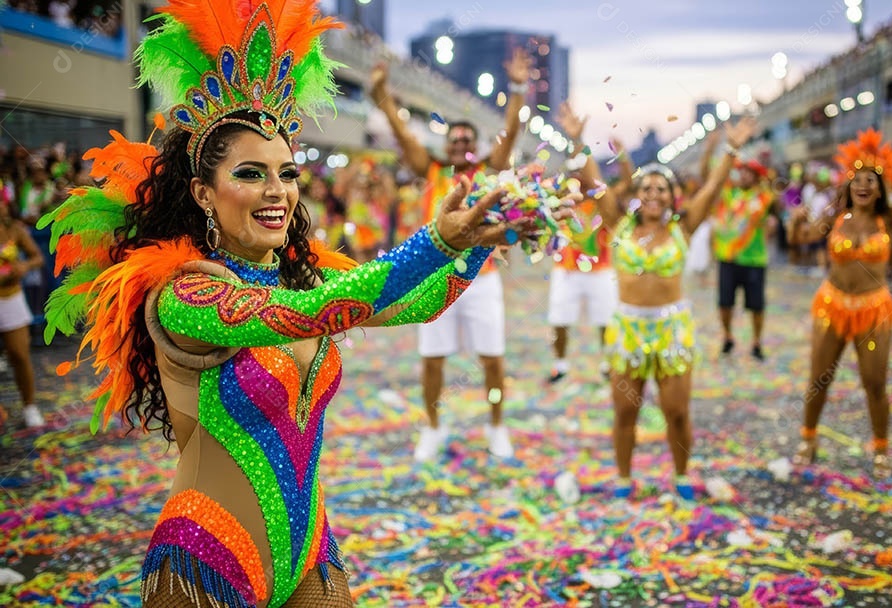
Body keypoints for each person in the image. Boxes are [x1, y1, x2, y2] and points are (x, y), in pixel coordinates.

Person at [39, 2, 551, 605]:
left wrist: (482, 243)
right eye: (252, 173)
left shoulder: (295, 279)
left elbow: (421, 304)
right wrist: (438, 239)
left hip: (310, 550)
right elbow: (315, 313)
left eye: (287, 173)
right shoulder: (184, 294)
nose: (277, 191)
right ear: (204, 191)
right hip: (208, 561)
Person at [370, 51, 531, 462]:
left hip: (483, 280)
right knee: (433, 361)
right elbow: (404, 136)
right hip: (436, 280)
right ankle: (434, 426)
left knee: (492, 359)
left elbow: (510, 135)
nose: (460, 144)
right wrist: (383, 98)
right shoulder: (434, 171)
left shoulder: (489, 173)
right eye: (454, 139)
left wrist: (516, 89)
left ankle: (496, 426)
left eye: (467, 140)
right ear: (447, 145)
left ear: (475, 147)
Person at [588, 112, 755, 499]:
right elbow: (594, 185)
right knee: (625, 411)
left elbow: (712, 188)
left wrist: (731, 148)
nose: (653, 194)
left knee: (676, 412)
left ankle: (681, 476)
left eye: (661, 188)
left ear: (672, 196)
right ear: (635, 194)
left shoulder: (683, 227)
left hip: (671, 330)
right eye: (646, 187)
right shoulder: (621, 225)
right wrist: (581, 144)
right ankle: (624, 479)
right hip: (628, 329)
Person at [791, 120, 892, 478]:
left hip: (873, 309)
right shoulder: (835, 217)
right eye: (858, 177)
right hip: (832, 304)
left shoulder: (890, 219)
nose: (864, 184)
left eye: (871, 178)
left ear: (881, 187)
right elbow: (802, 238)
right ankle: (808, 437)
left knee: (874, 383)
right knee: (819, 377)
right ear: (847, 183)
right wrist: (794, 222)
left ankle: (880, 448)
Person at [545, 103, 619, 384]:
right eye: (574, 174)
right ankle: (560, 364)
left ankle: (608, 364)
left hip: (600, 270)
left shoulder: (602, 202)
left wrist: (579, 142)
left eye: (583, 174)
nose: (578, 178)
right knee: (559, 318)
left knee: (605, 320)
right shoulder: (561, 199)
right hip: (566, 270)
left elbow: (598, 182)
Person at [699, 133, 780, 361]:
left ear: (756, 177)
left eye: (749, 172)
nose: (743, 175)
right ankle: (728, 336)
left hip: (754, 261)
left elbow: (774, 211)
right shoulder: (728, 195)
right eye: (741, 171)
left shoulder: (764, 197)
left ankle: (756, 341)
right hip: (728, 259)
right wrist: (709, 150)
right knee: (725, 303)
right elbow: (708, 177)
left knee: (756, 306)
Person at [0, 197, 45, 429]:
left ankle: (29, 406)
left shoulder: (14, 230)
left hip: (11, 298)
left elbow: (37, 257)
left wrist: (23, 267)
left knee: (19, 354)